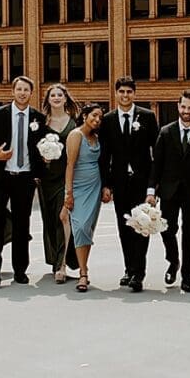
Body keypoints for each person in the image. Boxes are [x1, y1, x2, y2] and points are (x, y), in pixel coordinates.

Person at [147, 90, 190, 293]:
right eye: (183, 107)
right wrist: (152, 190)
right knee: (167, 229)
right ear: (178, 107)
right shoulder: (166, 132)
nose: (186, 111)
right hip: (168, 190)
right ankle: (173, 260)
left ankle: (187, 276)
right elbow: (156, 164)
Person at [0, 76, 47, 289]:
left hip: (26, 178)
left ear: (31, 93)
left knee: (22, 224)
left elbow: (42, 145)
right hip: (1, 177)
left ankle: (20, 270)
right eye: (18, 89)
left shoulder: (38, 117)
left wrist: (41, 167)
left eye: (26, 90)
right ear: (13, 91)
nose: (22, 93)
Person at [98, 76, 159, 292]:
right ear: (116, 94)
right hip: (120, 183)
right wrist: (106, 185)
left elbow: (157, 155)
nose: (125, 95)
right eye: (121, 92)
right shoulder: (108, 120)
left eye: (129, 92)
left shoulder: (148, 117)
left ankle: (138, 273)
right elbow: (104, 156)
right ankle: (129, 268)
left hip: (142, 184)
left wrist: (152, 187)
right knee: (124, 226)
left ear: (134, 94)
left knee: (142, 225)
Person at [37, 83, 80, 283]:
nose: (56, 97)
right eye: (52, 95)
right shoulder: (40, 122)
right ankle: (55, 258)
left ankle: (61, 264)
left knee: (64, 217)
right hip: (47, 178)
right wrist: (42, 159)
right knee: (51, 219)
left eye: (59, 94)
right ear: (48, 100)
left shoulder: (75, 121)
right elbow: (32, 147)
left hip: (68, 175)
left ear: (65, 98)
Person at [63, 103, 106, 293]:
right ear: (85, 115)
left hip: (94, 187)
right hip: (79, 188)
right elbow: (70, 166)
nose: (97, 120)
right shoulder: (75, 135)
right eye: (94, 116)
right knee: (79, 227)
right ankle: (83, 272)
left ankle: (84, 268)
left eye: (100, 118)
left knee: (87, 228)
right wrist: (68, 193)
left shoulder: (96, 137)